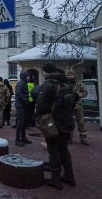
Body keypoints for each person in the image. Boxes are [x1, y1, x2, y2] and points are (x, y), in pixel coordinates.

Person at [35, 62, 76, 190]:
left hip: (54, 123)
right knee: (63, 148)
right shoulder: (66, 83)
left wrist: (37, 116)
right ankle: (69, 176)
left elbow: (42, 105)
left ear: (46, 72)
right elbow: (73, 102)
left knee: (54, 149)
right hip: (67, 122)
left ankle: (56, 178)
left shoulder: (50, 84)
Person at [67, 71, 90, 145]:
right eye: (69, 75)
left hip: (77, 105)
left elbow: (85, 92)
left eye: (71, 75)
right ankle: (69, 138)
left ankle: (83, 138)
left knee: (81, 122)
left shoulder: (79, 83)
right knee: (69, 122)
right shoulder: (65, 84)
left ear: (74, 75)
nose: (70, 76)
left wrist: (79, 95)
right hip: (68, 105)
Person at [15, 71, 32, 146]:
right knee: (20, 123)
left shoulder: (24, 83)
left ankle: (23, 138)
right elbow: (18, 93)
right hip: (20, 106)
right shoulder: (20, 83)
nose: (29, 77)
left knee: (24, 122)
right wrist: (25, 100)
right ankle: (17, 140)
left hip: (23, 105)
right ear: (24, 76)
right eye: (27, 76)